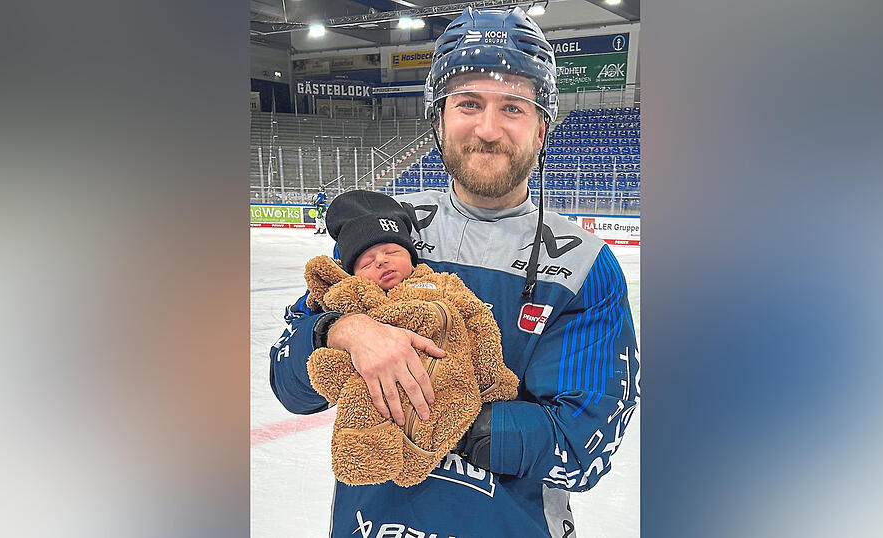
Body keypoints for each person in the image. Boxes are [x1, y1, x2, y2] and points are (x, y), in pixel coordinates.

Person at [270, 7, 640, 537]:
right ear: (438, 117)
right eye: (468, 103)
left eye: (513, 107)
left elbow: (584, 448)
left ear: (541, 129)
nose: (488, 129)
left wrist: (451, 408)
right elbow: (290, 386)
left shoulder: (584, 266)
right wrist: (343, 331)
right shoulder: (381, 231)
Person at [302, 188, 518, 487]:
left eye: (392, 252)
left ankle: (412, 456)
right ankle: (361, 456)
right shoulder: (356, 300)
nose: (381, 261)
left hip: (450, 386)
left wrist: (492, 380)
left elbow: (478, 321)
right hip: (380, 392)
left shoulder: (441, 284)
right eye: (366, 262)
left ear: (411, 257)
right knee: (352, 391)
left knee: (440, 419)